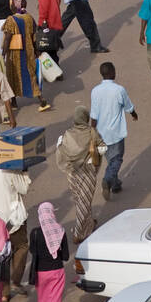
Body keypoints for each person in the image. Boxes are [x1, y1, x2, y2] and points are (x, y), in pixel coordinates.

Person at [55, 105, 104, 245]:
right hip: (88, 172)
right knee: (84, 202)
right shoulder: (92, 132)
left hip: (72, 173)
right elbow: (102, 148)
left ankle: (88, 226)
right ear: (86, 118)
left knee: (80, 201)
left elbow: (61, 149)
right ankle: (78, 233)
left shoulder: (67, 134)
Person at [90, 61, 138, 200]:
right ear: (112, 73)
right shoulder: (119, 90)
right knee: (116, 159)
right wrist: (134, 114)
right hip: (116, 133)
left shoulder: (95, 91)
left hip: (101, 133)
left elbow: (93, 114)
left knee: (111, 160)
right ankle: (107, 180)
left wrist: (92, 131)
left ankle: (115, 184)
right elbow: (128, 106)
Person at [2, 0, 51, 113]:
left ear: (15, 7)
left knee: (12, 76)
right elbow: (34, 36)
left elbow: (8, 38)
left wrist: (3, 52)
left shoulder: (11, 20)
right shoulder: (29, 18)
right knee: (31, 75)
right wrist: (36, 51)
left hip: (15, 53)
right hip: (28, 51)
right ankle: (40, 97)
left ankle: (13, 102)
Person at [29, 204, 68, 302]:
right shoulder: (60, 231)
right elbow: (66, 257)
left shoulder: (34, 233)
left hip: (41, 273)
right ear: (52, 213)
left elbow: (33, 252)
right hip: (57, 272)